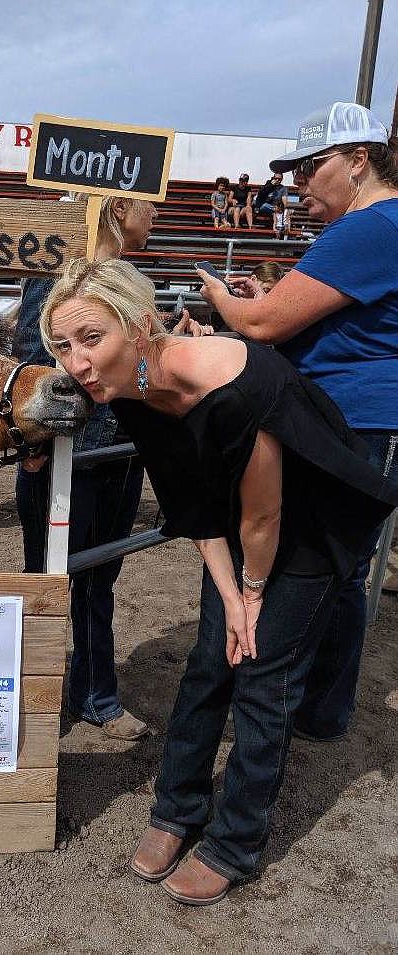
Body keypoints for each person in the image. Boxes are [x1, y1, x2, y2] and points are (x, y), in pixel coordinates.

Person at [39, 255, 398, 903]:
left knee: (260, 672)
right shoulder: (131, 388)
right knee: (210, 659)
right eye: (63, 345)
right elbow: (194, 503)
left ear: (141, 325)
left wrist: (250, 598)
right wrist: (230, 594)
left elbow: (266, 514)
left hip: (312, 520)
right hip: (240, 520)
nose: (76, 363)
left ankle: (236, 842)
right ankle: (177, 808)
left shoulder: (232, 381)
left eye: (92, 338)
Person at [200, 101, 398, 743]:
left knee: (317, 566)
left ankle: (288, 701)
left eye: (313, 167)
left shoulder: (371, 228)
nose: (300, 184)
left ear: (360, 160)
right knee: (342, 568)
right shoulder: (379, 228)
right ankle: (322, 709)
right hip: (358, 417)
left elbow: (261, 326)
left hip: (349, 422)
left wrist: (221, 298)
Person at [13, 195, 210, 742]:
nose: (157, 217)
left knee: (98, 577)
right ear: (121, 208)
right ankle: (49, 691)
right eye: (150, 207)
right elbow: (33, 359)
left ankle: (90, 689)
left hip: (116, 452)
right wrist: (39, 445)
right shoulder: (59, 279)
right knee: (53, 579)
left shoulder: (124, 280)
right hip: (69, 454)